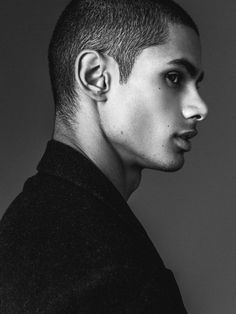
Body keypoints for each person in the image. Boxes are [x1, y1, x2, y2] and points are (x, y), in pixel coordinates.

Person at [0, 0, 208, 313]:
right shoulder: (105, 268)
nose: (199, 108)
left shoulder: (36, 225)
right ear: (97, 77)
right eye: (174, 77)